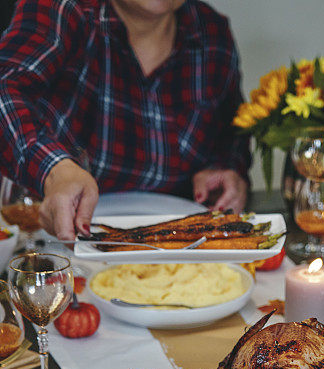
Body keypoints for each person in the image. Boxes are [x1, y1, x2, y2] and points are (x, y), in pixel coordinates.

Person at [0, 0, 251, 240]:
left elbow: (232, 136)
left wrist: (222, 171)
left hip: (176, 249)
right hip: (50, 241)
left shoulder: (212, 32)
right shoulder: (64, 8)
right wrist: (56, 171)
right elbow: (5, 90)